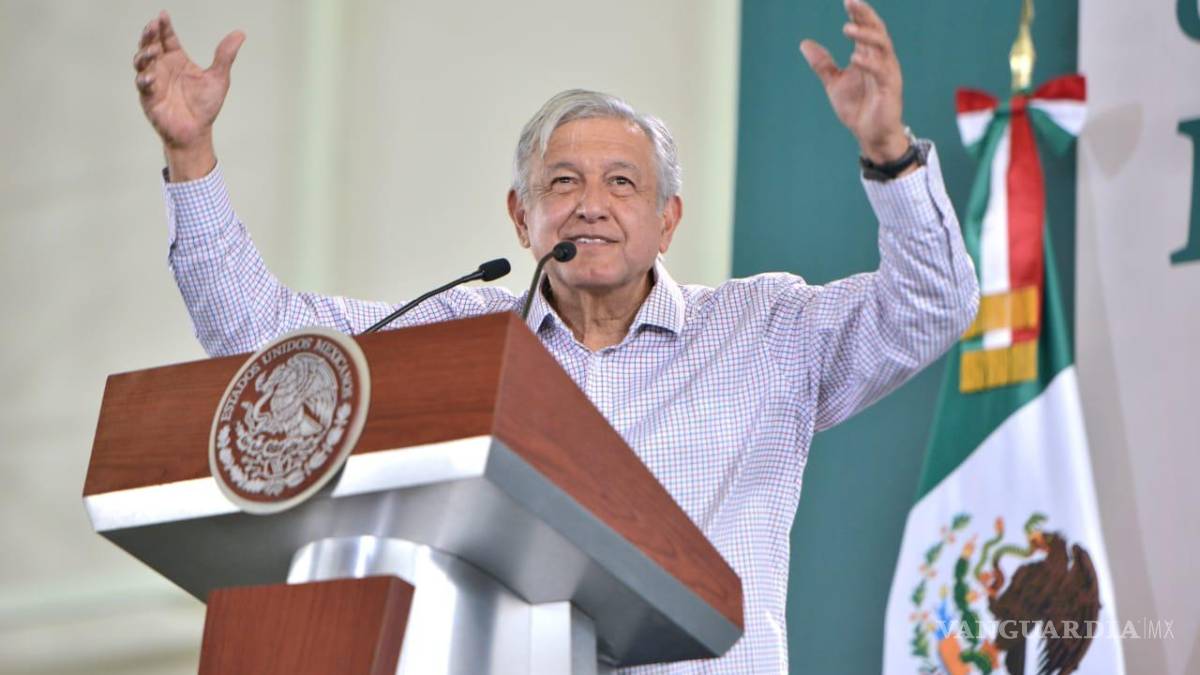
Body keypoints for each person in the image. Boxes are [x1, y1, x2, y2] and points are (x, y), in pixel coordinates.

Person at [132, 1, 979, 672]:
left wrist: (888, 152)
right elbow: (265, 343)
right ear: (522, 216)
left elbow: (933, 304)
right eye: (563, 182)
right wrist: (191, 153)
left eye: (623, 183)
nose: (591, 205)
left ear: (668, 219)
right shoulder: (456, 344)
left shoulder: (764, 329)